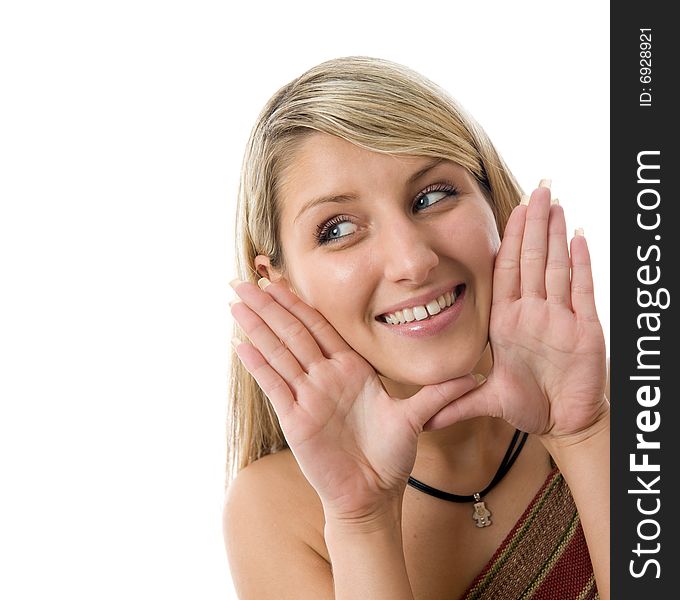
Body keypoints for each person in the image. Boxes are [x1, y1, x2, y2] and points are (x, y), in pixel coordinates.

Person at [222, 56, 610, 600]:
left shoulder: (614, 401)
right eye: (338, 230)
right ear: (280, 286)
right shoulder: (277, 507)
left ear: (491, 201)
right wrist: (362, 518)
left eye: (432, 196)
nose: (412, 261)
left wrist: (586, 434)